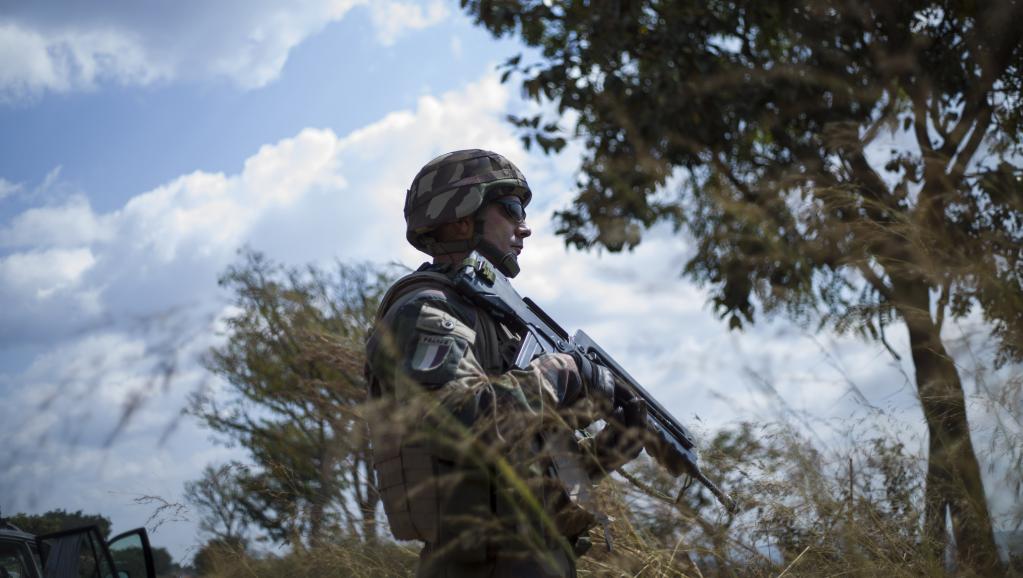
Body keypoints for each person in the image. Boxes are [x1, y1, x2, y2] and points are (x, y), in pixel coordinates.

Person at [365, 149, 645, 578]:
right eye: (511, 209)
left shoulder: (499, 325)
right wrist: (565, 372)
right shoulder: (426, 309)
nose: (524, 227)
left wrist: (607, 452)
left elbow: (526, 485)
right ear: (461, 217)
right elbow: (458, 422)